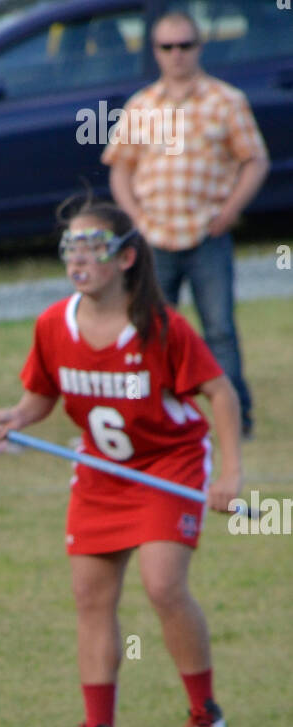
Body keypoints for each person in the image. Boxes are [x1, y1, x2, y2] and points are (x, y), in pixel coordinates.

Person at [0, 197, 242, 727]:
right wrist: (14, 417)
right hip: (100, 472)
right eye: (71, 246)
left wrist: (232, 475)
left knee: (163, 584)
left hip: (170, 466)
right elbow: (42, 393)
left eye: (93, 247)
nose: (79, 258)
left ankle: (205, 716)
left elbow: (219, 392)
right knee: (90, 597)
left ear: (124, 258)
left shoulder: (161, 327)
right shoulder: (53, 324)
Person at [103, 9, 269, 438]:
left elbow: (255, 160)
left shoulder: (225, 100)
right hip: (155, 237)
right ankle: (153, 414)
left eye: (185, 45)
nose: (176, 55)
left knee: (219, 330)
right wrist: (135, 217)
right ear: (155, 52)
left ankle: (237, 421)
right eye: (166, 47)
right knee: (150, 329)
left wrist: (230, 209)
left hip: (207, 235)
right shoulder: (142, 105)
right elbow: (119, 167)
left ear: (199, 47)